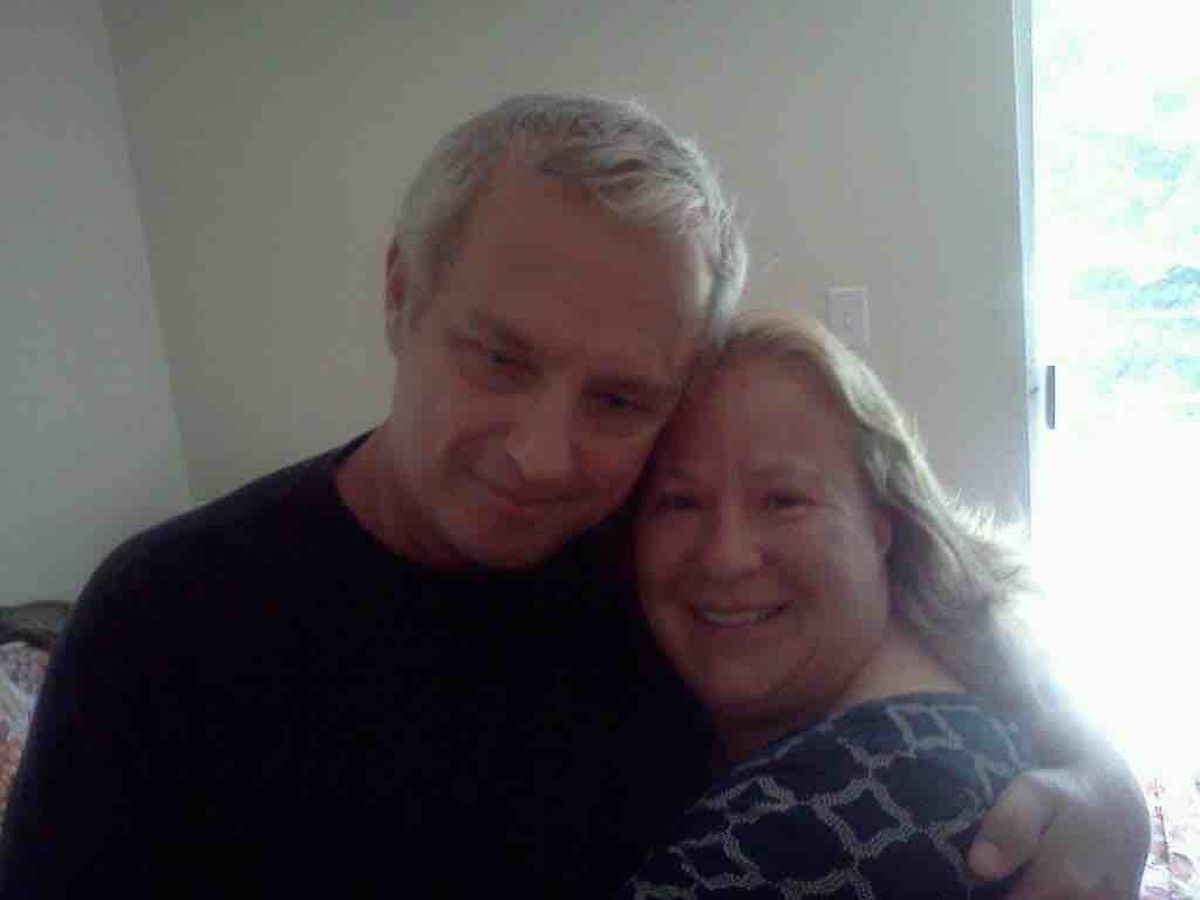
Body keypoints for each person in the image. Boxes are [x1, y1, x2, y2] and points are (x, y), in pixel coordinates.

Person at [0, 94, 1145, 898]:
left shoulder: (650, 564)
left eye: (619, 399)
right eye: (500, 358)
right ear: (402, 292)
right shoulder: (168, 618)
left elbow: (939, 597)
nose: (545, 458)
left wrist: (1104, 779)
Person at [619, 312, 1067, 897]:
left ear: (882, 524)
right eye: (679, 502)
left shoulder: (843, 817)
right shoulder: (943, 708)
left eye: (784, 500)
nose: (726, 556)